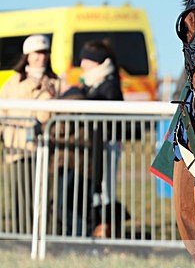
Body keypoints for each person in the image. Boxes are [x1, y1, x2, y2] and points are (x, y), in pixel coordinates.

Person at [60, 39, 124, 236]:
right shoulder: (94, 83)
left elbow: (99, 108)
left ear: (96, 62)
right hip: (95, 146)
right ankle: (97, 228)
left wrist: (75, 94)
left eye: (86, 61)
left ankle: (106, 229)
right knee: (96, 190)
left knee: (105, 190)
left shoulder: (109, 84)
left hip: (107, 144)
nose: (81, 66)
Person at [0, 34, 61, 233]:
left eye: (44, 52)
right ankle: (22, 235)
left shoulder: (56, 83)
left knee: (45, 196)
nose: (40, 57)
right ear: (27, 55)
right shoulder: (12, 83)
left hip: (46, 151)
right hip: (17, 149)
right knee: (20, 196)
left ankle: (44, 236)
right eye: (36, 53)